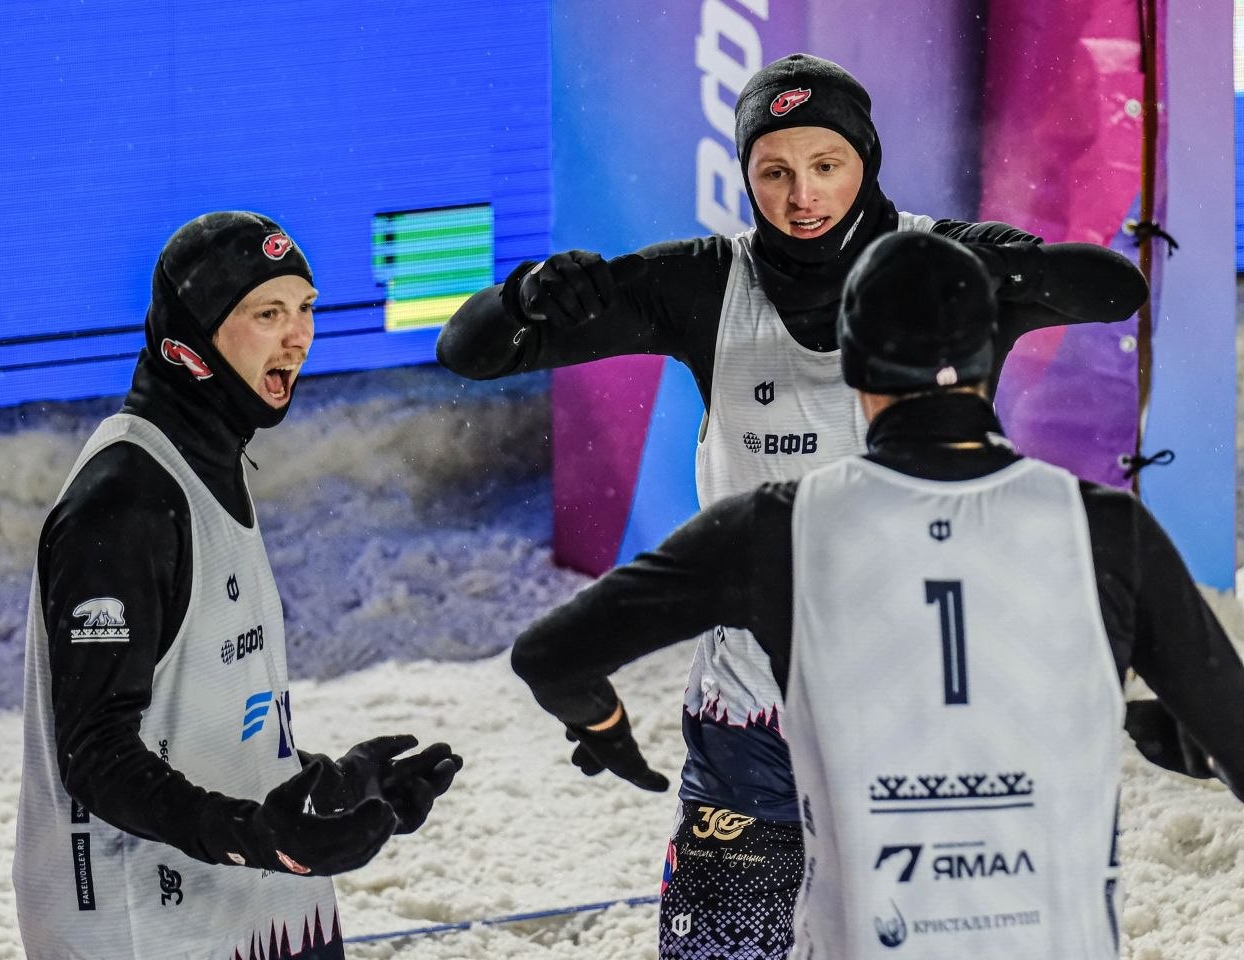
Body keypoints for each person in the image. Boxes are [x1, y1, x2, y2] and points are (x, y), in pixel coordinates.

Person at [438, 53, 1149, 957]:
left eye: (827, 167)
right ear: (744, 173)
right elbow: (471, 352)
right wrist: (527, 294)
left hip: (924, 719)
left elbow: (1114, 290)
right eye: (772, 172)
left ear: (868, 163)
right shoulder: (703, 282)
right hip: (753, 719)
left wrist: (1020, 271)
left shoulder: (942, 275)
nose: (801, 195)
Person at [510, 231, 1244, 960]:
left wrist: (602, 724)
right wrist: (1169, 729)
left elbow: (550, 657)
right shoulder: (1107, 528)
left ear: (852, 369)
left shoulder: (775, 527)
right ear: (993, 355)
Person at [13, 211, 462, 960]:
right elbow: (94, 755)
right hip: (148, 928)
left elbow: (206, 719)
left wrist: (333, 790)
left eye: (306, 309)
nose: (299, 336)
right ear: (191, 342)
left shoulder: (212, 460)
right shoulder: (124, 501)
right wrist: (261, 838)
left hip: (249, 904)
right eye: (268, 314)